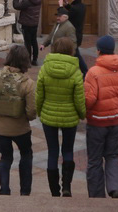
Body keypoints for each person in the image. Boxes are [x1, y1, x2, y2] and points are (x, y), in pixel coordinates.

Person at [84, 35, 118, 199]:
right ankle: (115, 188)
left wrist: (85, 113)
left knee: (95, 160)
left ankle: (96, 196)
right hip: (116, 122)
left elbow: (89, 100)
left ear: (98, 51)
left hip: (97, 123)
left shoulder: (93, 72)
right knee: (113, 156)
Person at [0, 45, 36, 196]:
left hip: (1, 129)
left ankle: (4, 190)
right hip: (21, 128)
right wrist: (27, 118)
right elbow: (32, 110)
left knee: (5, 158)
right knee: (26, 155)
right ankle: (25, 191)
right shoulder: (28, 83)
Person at [36, 36, 85, 197]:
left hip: (48, 116)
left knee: (52, 151)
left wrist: (40, 111)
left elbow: (39, 95)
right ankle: (67, 187)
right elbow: (79, 99)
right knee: (68, 150)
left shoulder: (45, 69)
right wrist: (82, 114)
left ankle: (54, 191)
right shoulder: (75, 71)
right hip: (69, 117)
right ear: (71, 50)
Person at [59, 0, 89, 75]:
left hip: (73, 35)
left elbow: (65, 16)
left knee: (75, 54)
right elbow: (73, 10)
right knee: (73, 53)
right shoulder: (82, 6)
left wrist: (61, 6)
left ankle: (85, 71)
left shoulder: (75, 9)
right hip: (78, 33)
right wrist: (67, 4)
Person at [13, 0, 42, 65]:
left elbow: (17, 6)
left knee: (27, 42)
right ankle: (35, 59)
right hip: (34, 23)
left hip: (27, 24)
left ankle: (28, 60)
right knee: (34, 41)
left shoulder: (28, 1)